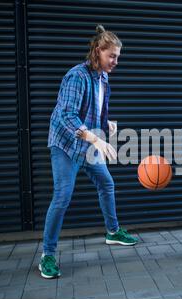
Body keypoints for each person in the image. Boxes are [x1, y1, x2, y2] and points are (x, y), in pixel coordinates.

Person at [40, 25, 138, 279]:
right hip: (66, 145)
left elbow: (95, 110)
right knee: (62, 197)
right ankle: (47, 255)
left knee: (107, 184)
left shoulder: (103, 77)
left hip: (89, 143)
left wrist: (107, 125)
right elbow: (66, 115)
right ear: (98, 51)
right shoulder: (77, 76)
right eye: (112, 56)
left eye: (118, 57)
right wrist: (96, 139)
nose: (116, 61)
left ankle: (113, 232)